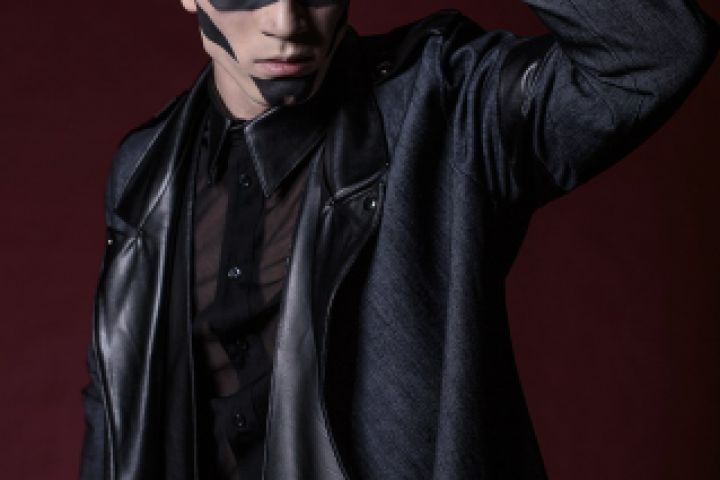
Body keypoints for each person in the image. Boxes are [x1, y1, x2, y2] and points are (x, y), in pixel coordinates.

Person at [79, 0, 718, 479]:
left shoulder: (448, 103)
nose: (285, 21)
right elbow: (115, 412)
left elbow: (658, 51)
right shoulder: (145, 171)